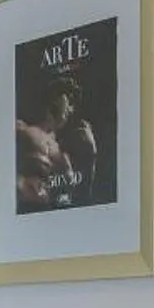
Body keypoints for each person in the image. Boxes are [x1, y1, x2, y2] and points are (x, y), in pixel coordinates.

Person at [16, 75, 101, 210]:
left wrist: (91, 154)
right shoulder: (21, 129)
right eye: (69, 100)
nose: (71, 109)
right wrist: (20, 185)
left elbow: (79, 198)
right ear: (56, 98)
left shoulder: (63, 155)